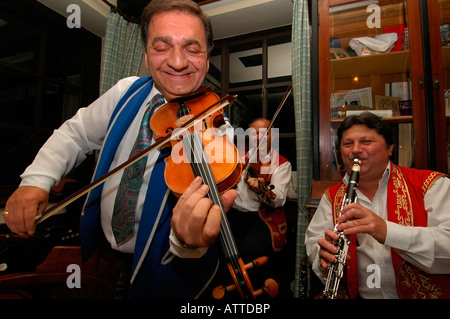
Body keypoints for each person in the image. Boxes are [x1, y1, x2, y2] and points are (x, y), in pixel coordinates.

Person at [3, 0, 237, 298]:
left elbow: (203, 226)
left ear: (206, 56)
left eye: (192, 49)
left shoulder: (216, 130)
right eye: (162, 46)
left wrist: (188, 242)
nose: (178, 61)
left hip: (161, 269)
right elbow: (77, 134)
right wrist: (37, 179)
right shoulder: (126, 91)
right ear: (146, 53)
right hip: (98, 251)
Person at [305, 112, 450, 299]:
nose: (355, 150)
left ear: (390, 148)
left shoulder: (431, 185)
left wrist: (387, 231)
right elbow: (313, 241)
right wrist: (322, 254)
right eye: (348, 144)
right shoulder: (332, 197)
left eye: (366, 142)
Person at [230, 118, 291, 263]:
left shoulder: (281, 163)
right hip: (233, 213)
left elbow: (279, 198)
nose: (259, 137)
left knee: (250, 250)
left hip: (259, 217)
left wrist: (261, 190)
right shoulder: (238, 157)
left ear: (273, 136)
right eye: (254, 133)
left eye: (265, 133)